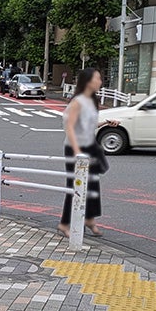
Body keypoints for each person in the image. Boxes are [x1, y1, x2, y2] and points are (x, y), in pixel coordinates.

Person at [57, 68, 117, 239]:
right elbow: (70, 128)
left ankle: (89, 220)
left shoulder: (91, 100)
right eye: (97, 78)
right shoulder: (77, 101)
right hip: (76, 149)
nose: (100, 81)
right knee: (75, 186)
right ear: (88, 81)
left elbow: (87, 125)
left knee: (92, 186)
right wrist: (77, 152)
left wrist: (105, 122)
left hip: (89, 146)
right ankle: (64, 223)